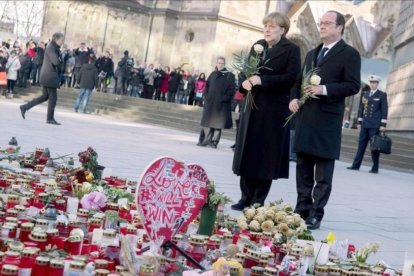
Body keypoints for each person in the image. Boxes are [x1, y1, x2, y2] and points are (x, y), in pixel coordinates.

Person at [289, 11, 361, 230]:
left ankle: (316, 213)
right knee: (302, 168)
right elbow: (299, 81)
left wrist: (324, 89)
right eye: (321, 23)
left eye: (327, 23)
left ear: (339, 28)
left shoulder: (349, 54)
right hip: (305, 118)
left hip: (327, 122)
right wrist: (293, 98)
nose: (322, 26)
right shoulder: (312, 53)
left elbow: (353, 85)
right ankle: (301, 208)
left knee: (322, 172)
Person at [231, 12, 301, 210]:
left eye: (272, 26)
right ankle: (244, 197)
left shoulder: (291, 49)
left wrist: (263, 80)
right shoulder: (258, 45)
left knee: (265, 155)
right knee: (248, 151)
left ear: (283, 29)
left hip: (273, 110)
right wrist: (243, 82)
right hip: (252, 107)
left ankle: (257, 200)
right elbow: (246, 71)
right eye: (266, 25)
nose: (267, 29)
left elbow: (291, 78)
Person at [20, 32, 65, 125]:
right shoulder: (51, 48)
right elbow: (56, 62)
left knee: (44, 97)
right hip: (49, 76)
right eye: (61, 40)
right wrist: (61, 60)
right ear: (56, 39)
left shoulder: (54, 48)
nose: (62, 42)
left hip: (48, 75)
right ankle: (50, 118)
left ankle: (25, 107)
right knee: (53, 98)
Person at [347, 75, 388, 174]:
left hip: (375, 125)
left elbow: (384, 110)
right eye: (371, 82)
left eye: (374, 83)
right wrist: (359, 122)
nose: (372, 84)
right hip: (365, 124)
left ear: (377, 84)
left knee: (374, 147)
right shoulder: (366, 94)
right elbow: (362, 108)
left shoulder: (381, 95)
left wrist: (383, 124)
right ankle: (355, 165)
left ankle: (375, 167)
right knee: (361, 145)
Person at [197, 57, 235, 148]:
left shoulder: (229, 75)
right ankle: (204, 140)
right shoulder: (213, 74)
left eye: (222, 63)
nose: (220, 64)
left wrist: (223, 99)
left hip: (221, 105)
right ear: (216, 63)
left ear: (224, 64)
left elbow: (232, 91)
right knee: (207, 122)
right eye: (219, 63)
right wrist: (206, 96)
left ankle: (214, 142)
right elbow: (207, 86)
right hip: (210, 103)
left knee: (218, 124)